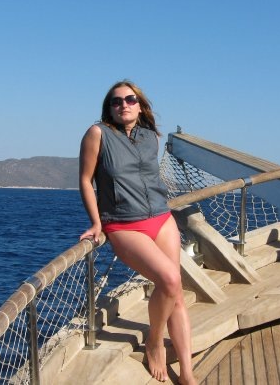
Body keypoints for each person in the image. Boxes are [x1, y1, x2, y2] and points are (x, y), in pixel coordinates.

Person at [79, 80, 196, 385]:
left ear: (140, 105)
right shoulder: (97, 134)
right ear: (109, 108)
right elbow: (86, 180)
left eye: (130, 100)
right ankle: (155, 341)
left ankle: (187, 373)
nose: (124, 105)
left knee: (176, 294)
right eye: (116, 101)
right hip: (123, 223)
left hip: (161, 217)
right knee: (170, 280)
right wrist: (96, 222)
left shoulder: (150, 137)